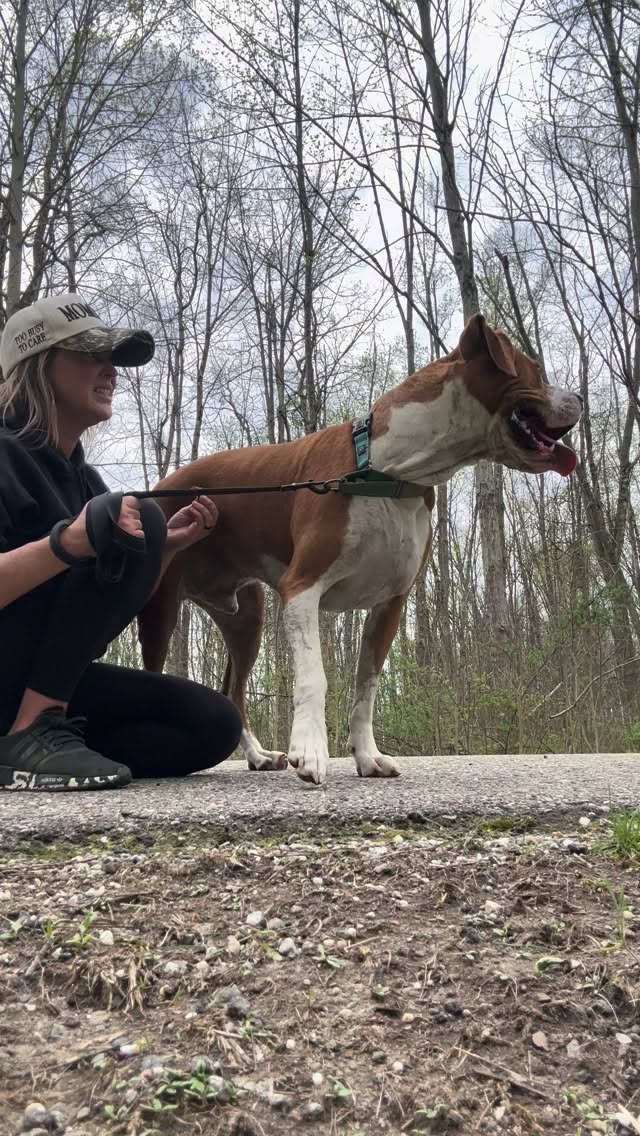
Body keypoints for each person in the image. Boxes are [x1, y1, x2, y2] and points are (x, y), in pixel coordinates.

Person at [0, 292, 242, 791]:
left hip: (41, 680)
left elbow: (94, 608)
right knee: (138, 520)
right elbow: (68, 558)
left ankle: (34, 737)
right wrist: (65, 544)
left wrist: (164, 547)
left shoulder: (84, 481)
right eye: (91, 355)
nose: (111, 371)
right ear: (37, 366)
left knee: (211, 724)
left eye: (112, 359)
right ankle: (29, 732)